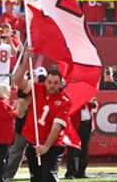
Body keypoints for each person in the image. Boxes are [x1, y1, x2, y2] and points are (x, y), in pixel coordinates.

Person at [13, 48, 72, 182]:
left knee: (49, 177)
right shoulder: (37, 89)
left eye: (55, 83)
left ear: (61, 84)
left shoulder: (64, 101)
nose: (51, 86)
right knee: (36, 178)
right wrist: (26, 64)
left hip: (52, 145)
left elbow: (57, 127)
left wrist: (46, 146)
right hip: (34, 142)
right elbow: (18, 82)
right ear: (45, 81)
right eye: (49, 82)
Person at [66, 98, 98, 179]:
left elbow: (95, 106)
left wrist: (91, 101)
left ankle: (81, 172)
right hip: (75, 126)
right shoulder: (74, 97)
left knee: (84, 150)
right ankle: (71, 173)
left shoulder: (88, 97)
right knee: (73, 149)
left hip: (87, 125)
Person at [0, 83, 16, 182]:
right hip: (2, 135)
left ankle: (1, 177)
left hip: (3, 134)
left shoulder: (1, 102)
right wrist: (16, 111)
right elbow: (7, 115)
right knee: (1, 159)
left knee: (3, 158)